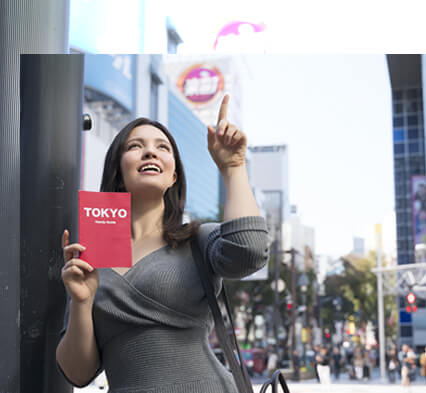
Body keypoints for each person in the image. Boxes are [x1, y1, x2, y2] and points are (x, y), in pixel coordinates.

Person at [56, 95, 270, 393]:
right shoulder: (91, 254)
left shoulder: (197, 239)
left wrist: (233, 168)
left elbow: (250, 251)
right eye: (135, 146)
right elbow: (78, 374)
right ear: (118, 170)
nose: (150, 153)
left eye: (162, 147)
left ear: (173, 175)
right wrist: (81, 302)